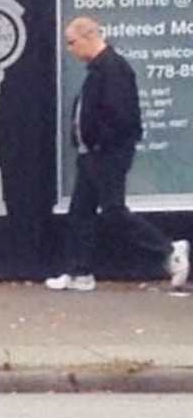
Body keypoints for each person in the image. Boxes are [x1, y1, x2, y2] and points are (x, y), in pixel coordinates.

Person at [44, 16, 179, 292]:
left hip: (107, 154)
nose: (70, 49)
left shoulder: (113, 68)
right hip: (92, 153)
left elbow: (121, 116)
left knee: (113, 210)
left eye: (72, 42)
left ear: (89, 36)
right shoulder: (98, 69)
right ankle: (79, 272)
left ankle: (169, 250)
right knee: (81, 211)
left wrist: (98, 143)